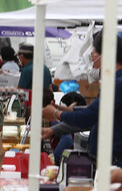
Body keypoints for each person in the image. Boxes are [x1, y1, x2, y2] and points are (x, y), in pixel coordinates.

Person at [43, 31, 122, 165]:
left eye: (94, 51)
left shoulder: (117, 84)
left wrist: (57, 114)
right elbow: (93, 111)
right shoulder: (115, 81)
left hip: (112, 162)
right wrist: (63, 111)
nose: (91, 55)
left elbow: (89, 117)